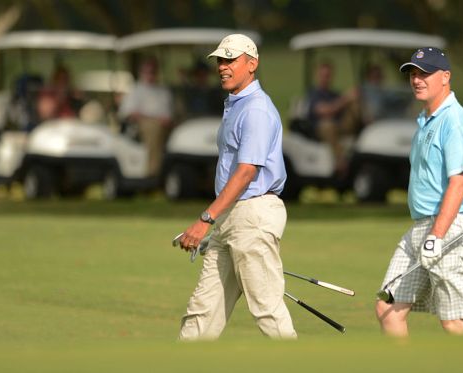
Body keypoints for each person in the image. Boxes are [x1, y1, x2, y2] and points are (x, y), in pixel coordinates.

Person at [176, 34, 297, 341]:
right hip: (232, 216)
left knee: (268, 311)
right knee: (202, 311)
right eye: (220, 60)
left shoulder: (256, 109)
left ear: (252, 64)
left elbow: (245, 174)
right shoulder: (236, 104)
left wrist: (206, 220)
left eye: (231, 60)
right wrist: (219, 223)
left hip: (253, 214)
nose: (223, 67)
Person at [375, 47, 463, 337]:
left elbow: (459, 183)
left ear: (446, 77)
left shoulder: (455, 121)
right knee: (388, 308)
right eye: (413, 74)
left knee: (455, 321)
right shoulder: (426, 121)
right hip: (422, 228)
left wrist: (436, 235)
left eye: (425, 73)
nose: (417, 80)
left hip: (451, 227)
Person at [118, 57, 173, 177]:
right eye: (147, 71)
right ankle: (153, 172)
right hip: (141, 124)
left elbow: (168, 114)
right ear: (141, 72)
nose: (150, 75)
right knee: (154, 129)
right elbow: (129, 113)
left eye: (153, 71)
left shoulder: (163, 91)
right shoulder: (135, 90)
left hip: (162, 124)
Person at [305, 62, 359, 174]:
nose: (326, 79)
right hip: (320, 130)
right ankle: (341, 160)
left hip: (339, 127)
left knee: (355, 104)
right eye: (323, 75)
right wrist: (345, 99)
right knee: (328, 125)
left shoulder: (333, 94)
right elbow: (325, 111)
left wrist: (353, 98)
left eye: (328, 76)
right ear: (318, 76)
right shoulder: (314, 94)